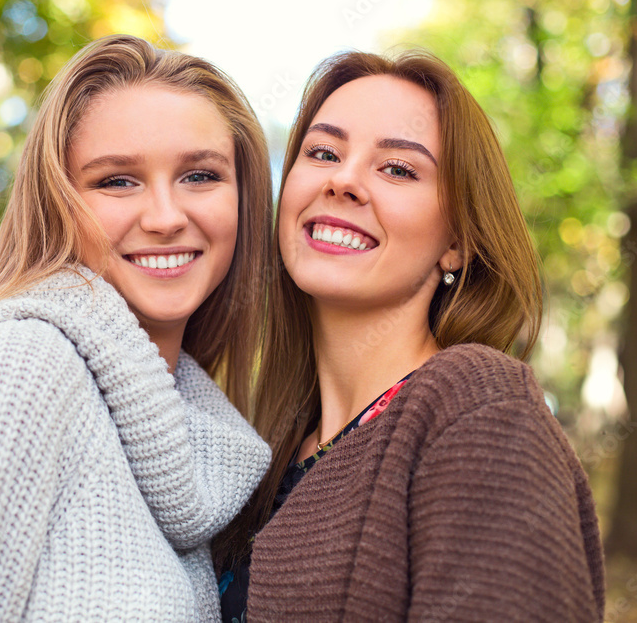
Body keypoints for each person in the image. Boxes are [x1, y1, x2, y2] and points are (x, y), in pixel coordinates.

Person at [0, 35, 273, 622]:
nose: (166, 217)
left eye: (199, 176)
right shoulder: (22, 365)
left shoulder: (193, 423)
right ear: (58, 204)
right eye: (117, 180)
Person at [216, 50, 605, 622]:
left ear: (457, 242)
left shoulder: (478, 407)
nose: (343, 180)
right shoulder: (263, 450)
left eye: (398, 168)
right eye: (323, 152)